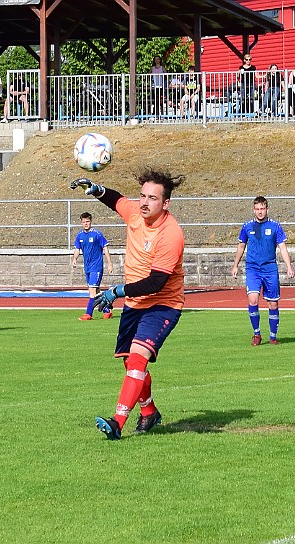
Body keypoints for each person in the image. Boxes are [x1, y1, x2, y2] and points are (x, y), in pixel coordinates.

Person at [70, 168, 185, 440]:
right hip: (134, 304)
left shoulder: (171, 234)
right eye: (142, 196)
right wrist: (95, 188)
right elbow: (116, 199)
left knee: (136, 359)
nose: (144, 202)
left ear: (165, 203)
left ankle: (117, 422)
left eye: (152, 198)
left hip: (162, 304)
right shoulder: (135, 213)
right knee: (130, 363)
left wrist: (116, 291)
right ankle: (149, 412)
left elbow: (155, 282)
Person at [231, 196, 294, 346]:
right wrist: (235, 265)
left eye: (262, 209)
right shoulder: (247, 226)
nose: (260, 212)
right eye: (257, 209)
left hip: (270, 268)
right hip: (253, 268)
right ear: (254, 210)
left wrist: (289, 266)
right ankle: (257, 334)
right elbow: (241, 246)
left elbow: (283, 248)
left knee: (273, 304)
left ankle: (273, 336)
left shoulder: (275, 226)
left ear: (267, 209)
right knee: (252, 299)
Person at [72, 212, 114, 321]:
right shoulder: (80, 235)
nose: (86, 224)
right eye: (84, 222)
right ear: (81, 223)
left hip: (96, 266)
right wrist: (74, 259)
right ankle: (107, 311)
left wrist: (109, 263)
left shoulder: (97, 234)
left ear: (91, 222)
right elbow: (77, 249)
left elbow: (105, 248)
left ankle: (88, 314)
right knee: (97, 291)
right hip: (88, 267)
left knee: (91, 291)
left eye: (87, 221)